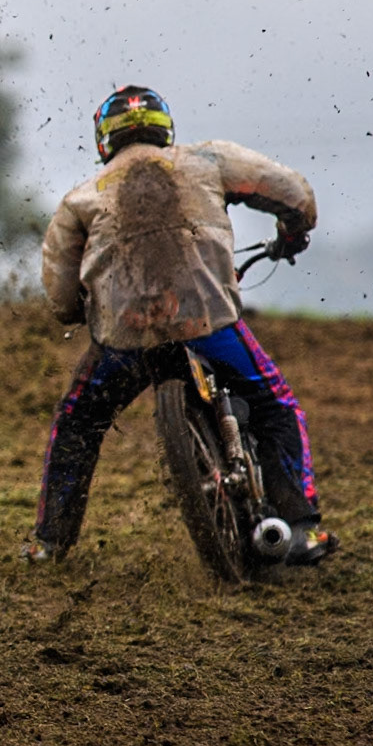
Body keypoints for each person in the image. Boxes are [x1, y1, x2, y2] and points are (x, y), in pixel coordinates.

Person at [30, 86, 337, 566]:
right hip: (209, 321)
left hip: (124, 338)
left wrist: (78, 312)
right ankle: (302, 526)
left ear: (103, 141)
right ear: (164, 127)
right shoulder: (208, 160)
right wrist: (293, 233)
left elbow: (60, 296)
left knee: (79, 421)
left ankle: (49, 543)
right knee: (275, 402)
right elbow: (294, 195)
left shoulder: (81, 199)